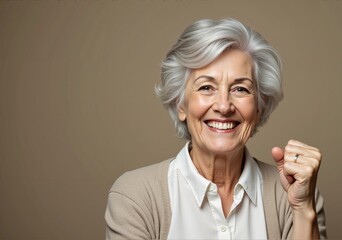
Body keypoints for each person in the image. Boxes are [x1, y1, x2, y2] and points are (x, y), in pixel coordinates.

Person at [105, 18, 326, 239]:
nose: (223, 106)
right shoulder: (135, 195)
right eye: (206, 87)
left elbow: (302, 207)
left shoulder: (294, 194)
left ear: (259, 107)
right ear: (180, 104)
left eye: (240, 88)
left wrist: (303, 209)